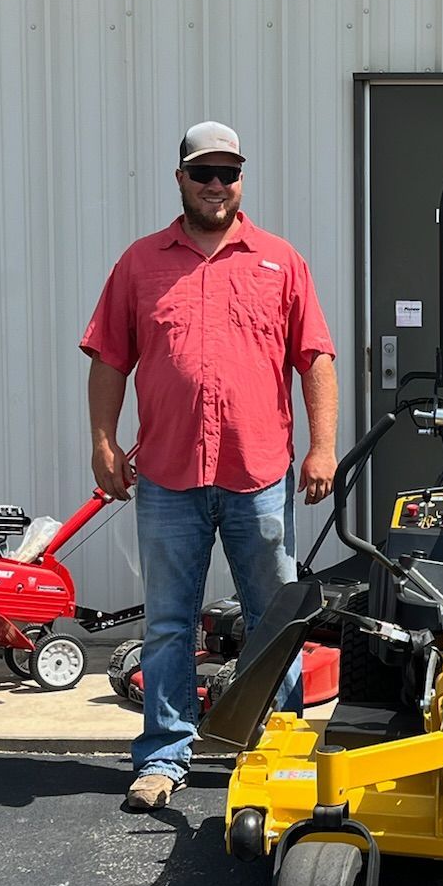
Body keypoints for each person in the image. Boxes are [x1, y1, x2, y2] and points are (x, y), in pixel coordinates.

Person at [81, 121, 337, 812]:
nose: (217, 185)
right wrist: (104, 442)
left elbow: (314, 358)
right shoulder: (140, 265)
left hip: (259, 475)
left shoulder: (280, 261)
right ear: (181, 179)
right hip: (168, 479)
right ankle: (164, 756)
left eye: (229, 173)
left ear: (241, 181)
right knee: (169, 623)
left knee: (272, 619)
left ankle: (279, 747)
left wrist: (322, 446)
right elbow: (109, 359)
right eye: (204, 173)